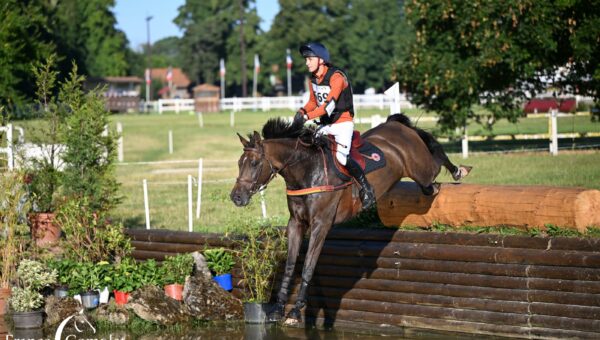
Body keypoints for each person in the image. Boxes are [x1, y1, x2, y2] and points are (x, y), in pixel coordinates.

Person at [294, 42, 375, 209]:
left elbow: (327, 107)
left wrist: (307, 116)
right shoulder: (314, 79)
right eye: (306, 60)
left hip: (343, 123)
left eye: (310, 59)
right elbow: (312, 102)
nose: (306, 62)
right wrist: (301, 112)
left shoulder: (337, 77)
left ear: (321, 60)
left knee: (341, 157)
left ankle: (366, 189)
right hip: (326, 124)